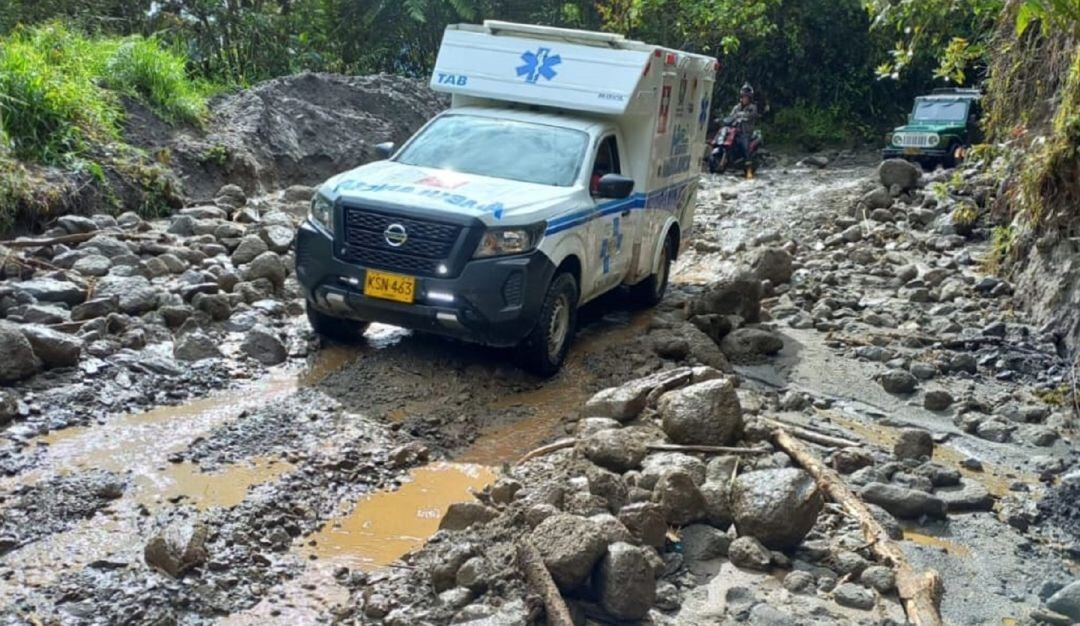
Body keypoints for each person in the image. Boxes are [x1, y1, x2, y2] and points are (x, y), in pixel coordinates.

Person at [728, 83, 759, 160]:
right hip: (735, 131)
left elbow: (751, 115)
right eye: (743, 97)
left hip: (746, 132)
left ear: (750, 98)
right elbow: (731, 116)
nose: (744, 99)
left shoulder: (752, 108)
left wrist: (743, 116)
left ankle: (748, 161)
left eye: (746, 97)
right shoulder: (736, 107)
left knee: (744, 146)